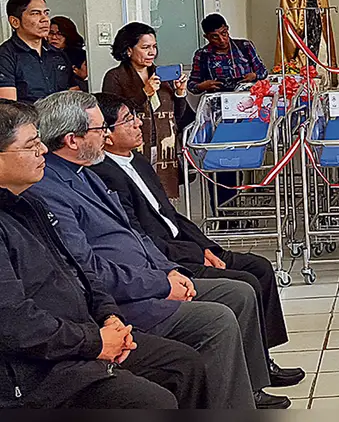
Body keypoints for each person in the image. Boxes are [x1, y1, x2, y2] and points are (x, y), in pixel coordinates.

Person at [27, 91, 294, 409]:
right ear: (72, 140)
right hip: (128, 299)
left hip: (151, 275)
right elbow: (87, 268)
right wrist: (160, 284)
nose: (106, 136)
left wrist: (169, 271)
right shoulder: (50, 189)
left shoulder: (86, 172)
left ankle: (249, 389)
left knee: (239, 293)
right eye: (101, 129)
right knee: (217, 320)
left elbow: (135, 232)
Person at [0, 101, 211, 409]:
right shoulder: (31, 204)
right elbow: (15, 323)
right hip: (39, 367)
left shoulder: (30, 203)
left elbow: (80, 271)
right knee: (152, 400)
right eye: (31, 145)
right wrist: (94, 342)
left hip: (84, 331)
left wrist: (108, 317)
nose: (42, 151)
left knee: (183, 364)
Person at [90, 93, 299, 382]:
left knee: (260, 267)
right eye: (128, 120)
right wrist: (193, 255)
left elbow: (170, 216)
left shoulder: (136, 161)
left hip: (184, 243)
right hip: (166, 256)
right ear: (107, 135)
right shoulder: (104, 174)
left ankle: (262, 359)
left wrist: (206, 246)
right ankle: (251, 378)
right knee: (244, 283)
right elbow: (141, 234)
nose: (139, 124)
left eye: (136, 116)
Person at [102, 23, 193, 200]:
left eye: (154, 47)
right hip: (133, 148)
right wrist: (145, 93)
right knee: (138, 198)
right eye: (145, 47)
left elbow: (178, 117)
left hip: (165, 151)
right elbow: (112, 115)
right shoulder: (115, 76)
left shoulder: (161, 75)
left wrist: (180, 94)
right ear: (129, 50)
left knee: (165, 200)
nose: (152, 52)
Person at [0, 0, 75, 103]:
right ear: (15, 21)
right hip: (27, 120)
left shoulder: (58, 55)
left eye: (46, 13)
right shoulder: (5, 56)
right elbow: (9, 109)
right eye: (35, 13)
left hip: (62, 119)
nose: (45, 19)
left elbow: (72, 93)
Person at [190, 14, 269, 94]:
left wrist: (255, 76)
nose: (222, 40)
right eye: (215, 37)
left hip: (246, 98)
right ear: (206, 37)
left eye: (224, 33)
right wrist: (201, 86)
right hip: (218, 101)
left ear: (227, 29)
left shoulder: (245, 46)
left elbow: (263, 72)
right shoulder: (202, 55)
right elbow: (191, 85)